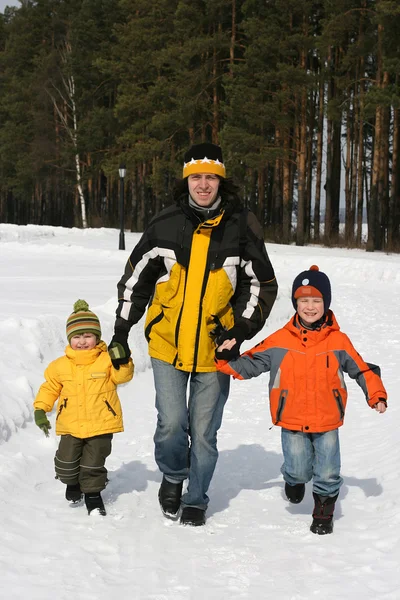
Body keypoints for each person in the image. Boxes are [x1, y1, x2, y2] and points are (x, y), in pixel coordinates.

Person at [108, 142, 278, 526]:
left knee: (203, 432)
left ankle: (197, 496)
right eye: (197, 177)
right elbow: (136, 281)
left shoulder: (241, 225)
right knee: (171, 424)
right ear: (187, 180)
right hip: (167, 344)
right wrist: (121, 330)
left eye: (211, 178)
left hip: (216, 350)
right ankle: (172, 474)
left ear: (221, 181)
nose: (203, 185)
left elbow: (261, 286)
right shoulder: (165, 223)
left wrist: (240, 329)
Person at [215, 265, 387, 534]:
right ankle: (293, 480)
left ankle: (323, 509)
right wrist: (225, 361)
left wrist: (376, 394)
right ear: (295, 303)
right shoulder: (280, 340)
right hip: (291, 418)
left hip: (328, 418)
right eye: (303, 300)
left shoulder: (338, 341)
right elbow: (251, 363)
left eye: (316, 301)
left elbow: (361, 368)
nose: (309, 307)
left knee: (328, 471)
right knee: (298, 469)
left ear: (326, 303)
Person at [33, 300, 134, 516]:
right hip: (70, 424)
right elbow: (50, 387)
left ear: (96, 337)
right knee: (66, 464)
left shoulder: (106, 359)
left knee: (93, 464)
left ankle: (93, 494)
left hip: (101, 423)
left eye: (87, 336)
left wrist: (123, 360)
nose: (82, 341)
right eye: (77, 337)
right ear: (70, 339)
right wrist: (41, 409)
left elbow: (122, 377)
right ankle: (72, 482)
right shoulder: (60, 365)